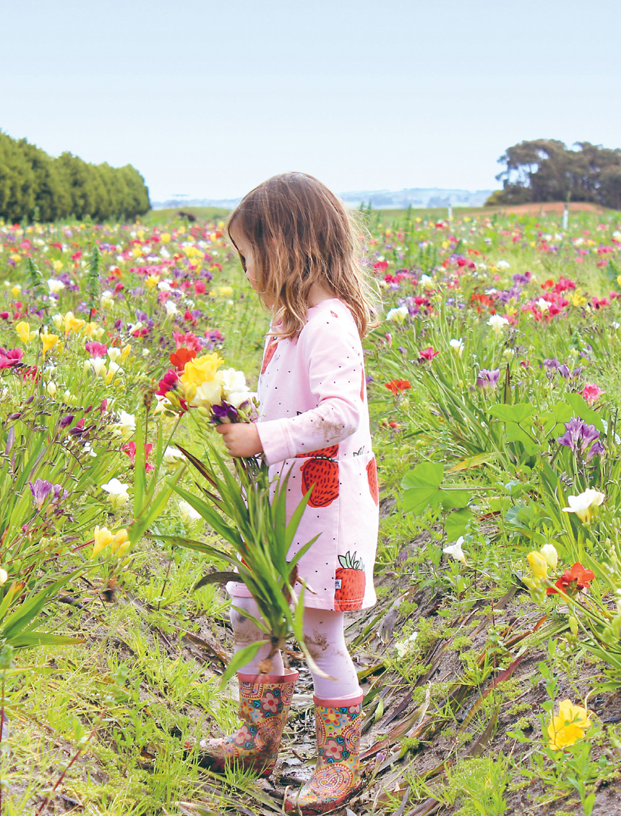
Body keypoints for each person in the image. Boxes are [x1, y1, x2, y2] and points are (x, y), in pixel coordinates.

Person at [200, 172, 380, 814]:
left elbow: (340, 415)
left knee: (319, 635)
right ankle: (258, 738)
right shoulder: (291, 322)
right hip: (279, 509)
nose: (245, 269)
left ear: (285, 247)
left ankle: (337, 766)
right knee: (249, 609)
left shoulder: (329, 323)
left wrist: (260, 437)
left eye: (247, 255)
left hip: (322, 513)